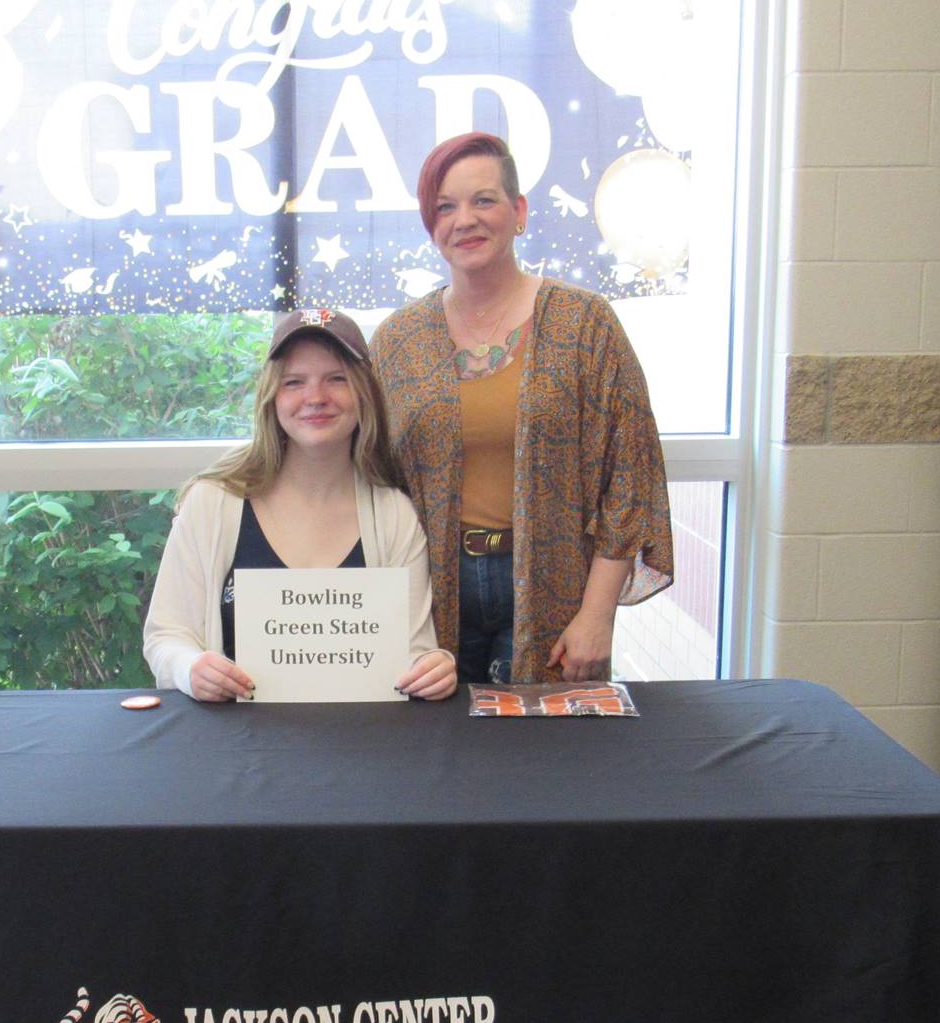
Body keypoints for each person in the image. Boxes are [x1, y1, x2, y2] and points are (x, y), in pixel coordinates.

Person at [370, 132, 674, 685]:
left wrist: (596, 614)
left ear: (519, 212)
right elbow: (363, 473)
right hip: (429, 592)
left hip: (550, 585)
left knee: (539, 755)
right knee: (435, 753)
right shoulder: (397, 341)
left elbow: (629, 476)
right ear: (430, 225)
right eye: (445, 206)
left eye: (483, 200)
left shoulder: (586, 324)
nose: (465, 220)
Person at [143, 309, 458, 702]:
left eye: (336, 379)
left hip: (362, 743)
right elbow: (166, 636)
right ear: (272, 397)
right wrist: (189, 669)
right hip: (236, 746)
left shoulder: (393, 514)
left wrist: (433, 668)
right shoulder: (212, 503)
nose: (316, 398)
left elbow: (414, 650)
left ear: (364, 394)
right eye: (295, 382)